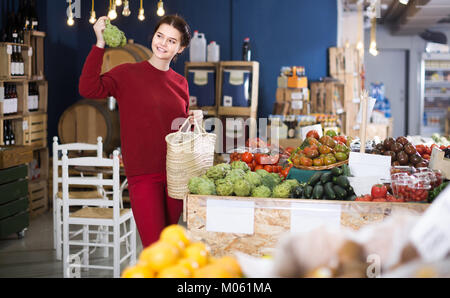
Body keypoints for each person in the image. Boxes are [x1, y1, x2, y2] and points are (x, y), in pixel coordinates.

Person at [79, 15, 202, 248]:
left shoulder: (181, 83)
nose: (163, 44)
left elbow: (179, 128)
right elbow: (88, 87)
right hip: (143, 175)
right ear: (153, 36)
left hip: (175, 175)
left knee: (169, 247)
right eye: (160, 36)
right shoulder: (127, 74)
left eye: (171, 41)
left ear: (181, 48)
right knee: (155, 247)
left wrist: (194, 119)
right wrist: (99, 43)